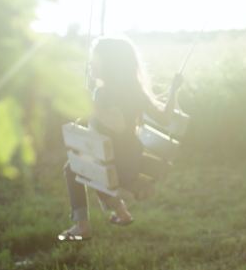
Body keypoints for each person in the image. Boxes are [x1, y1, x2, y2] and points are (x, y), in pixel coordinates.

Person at [58, 36, 182, 241]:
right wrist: (173, 91)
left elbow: (118, 124)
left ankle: (82, 226)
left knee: (76, 169)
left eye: (94, 60)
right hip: (127, 160)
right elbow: (165, 118)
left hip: (117, 164)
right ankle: (121, 213)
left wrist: (91, 105)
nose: (90, 64)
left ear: (108, 65)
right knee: (93, 168)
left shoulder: (103, 93)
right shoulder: (134, 91)